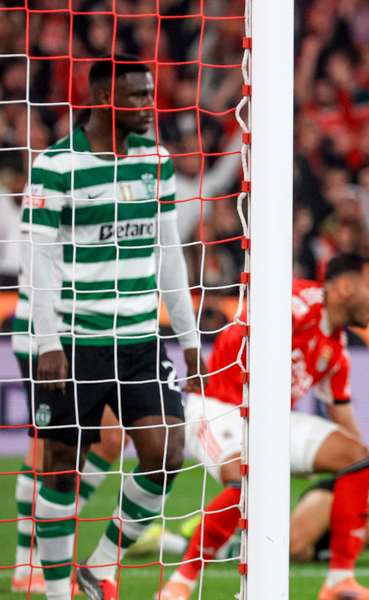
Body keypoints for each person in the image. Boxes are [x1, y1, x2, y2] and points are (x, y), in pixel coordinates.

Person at [21, 55, 206, 600]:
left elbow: (170, 250)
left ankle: (100, 565)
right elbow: (38, 258)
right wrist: (48, 341)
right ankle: (55, 592)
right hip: (76, 342)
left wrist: (189, 337)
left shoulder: (156, 159)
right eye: (134, 97)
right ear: (102, 99)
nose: (147, 106)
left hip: (141, 338)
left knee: (167, 451)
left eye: (148, 94)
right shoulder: (57, 166)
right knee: (60, 468)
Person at [160, 253, 369, 600]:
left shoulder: (335, 346)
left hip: (272, 421)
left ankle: (339, 582)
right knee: (247, 477)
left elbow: (343, 417)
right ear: (344, 287)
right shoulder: (296, 305)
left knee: (355, 457)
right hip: (222, 408)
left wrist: (368, 492)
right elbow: (239, 333)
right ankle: (180, 584)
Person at [8, 251, 127, 594]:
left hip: (96, 325)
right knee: (49, 442)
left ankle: (47, 551)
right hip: (48, 329)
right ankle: (27, 564)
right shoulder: (53, 199)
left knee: (110, 439)